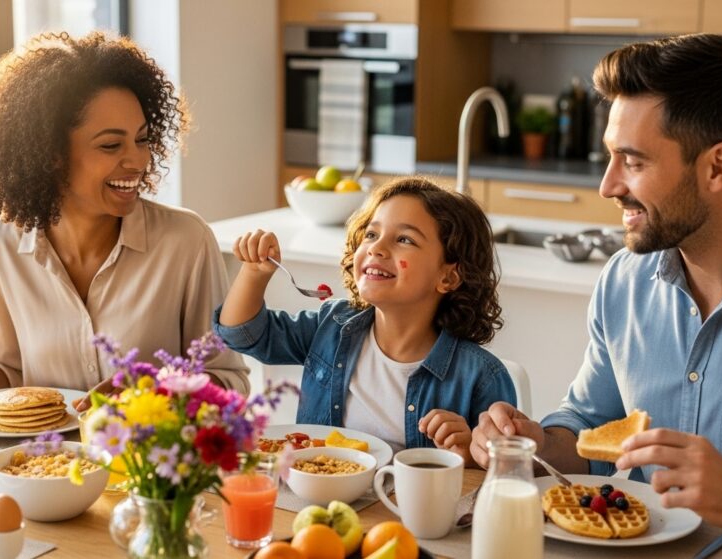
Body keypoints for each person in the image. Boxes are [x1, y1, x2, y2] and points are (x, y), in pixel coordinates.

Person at [471, 34, 722, 547]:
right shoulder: (625, 280)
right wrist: (538, 445)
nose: (608, 186)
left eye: (633, 162)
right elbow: (590, 424)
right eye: (610, 157)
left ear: (718, 166)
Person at [0, 32, 249, 406]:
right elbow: (10, 369)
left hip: (150, 446)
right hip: (44, 447)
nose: (138, 160)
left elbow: (227, 380)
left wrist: (153, 395)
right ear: (50, 152)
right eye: (111, 145)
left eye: (142, 139)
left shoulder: (185, 240)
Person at [214, 178, 516, 464]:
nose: (376, 248)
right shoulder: (330, 327)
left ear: (448, 276)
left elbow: (505, 469)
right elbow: (241, 334)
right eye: (371, 234)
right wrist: (254, 274)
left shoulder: (482, 377)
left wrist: (469, 454)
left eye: (404, 239)